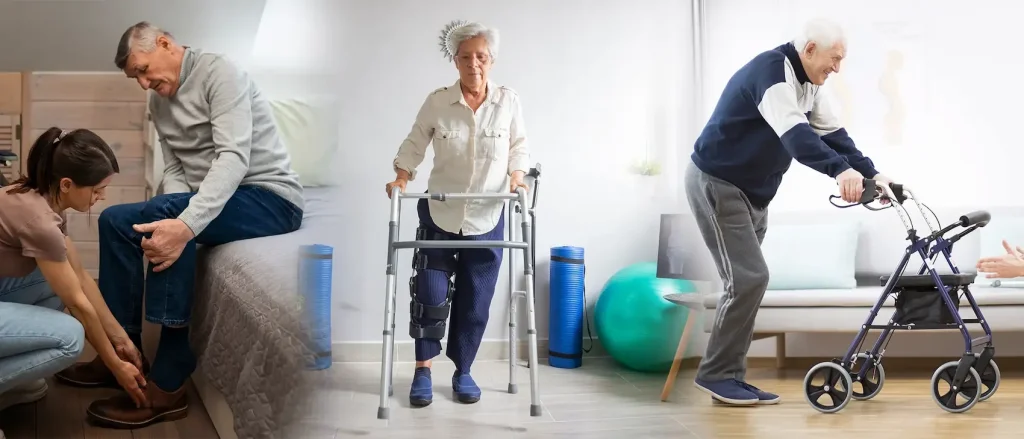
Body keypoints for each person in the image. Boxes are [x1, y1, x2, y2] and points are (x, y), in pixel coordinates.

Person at [53, 21, 305, 429]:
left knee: (167, 222)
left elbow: (233, 159)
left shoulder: (221, 73)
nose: (143, 83)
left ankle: (168, 384)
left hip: (267, 198)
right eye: (135, 76)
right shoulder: (158, 102)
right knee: (116, 219)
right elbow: (175, 168)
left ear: (166, 44)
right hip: (214, 198)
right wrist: (172, 216)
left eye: (143, 69)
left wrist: (183, 223)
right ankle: (123, 352)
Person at [685, 18, 894, 406]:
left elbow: (835, 137)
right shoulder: (773, 74)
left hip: (752, 193)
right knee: (749, 279)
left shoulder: (810, 86)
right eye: (834, 59)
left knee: (744, 284)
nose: (837, 68)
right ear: (809, 49)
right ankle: (716, 374)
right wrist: (840, 172)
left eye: (842, 60)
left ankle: (730, 376)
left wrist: (874, 174)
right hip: (718, 182)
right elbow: (797, 138)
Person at [385, 20, 531, 407]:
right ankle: (423, 368)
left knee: (475, 299)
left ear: (492, 59)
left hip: (487, 215)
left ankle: (463, 370)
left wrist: (517, 177)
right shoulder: (437, 101)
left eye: (481, 57)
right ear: (455, 61)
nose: (474, 64)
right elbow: (416, 141)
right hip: (440, 211)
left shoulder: (508, 102)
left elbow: (519, 146)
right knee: (430, 292)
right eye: (466, 57)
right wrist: (401, 177)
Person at [0, 128, 149, 434]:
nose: (101, 197)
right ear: (67, 184)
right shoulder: (39, 221)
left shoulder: (43, 198)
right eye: (96, 190)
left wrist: (121, 340)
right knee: (70, 338)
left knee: (55, 280)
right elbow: (78, 305)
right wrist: (114, 365)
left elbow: (80, 278)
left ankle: (11, 381)